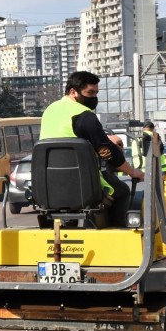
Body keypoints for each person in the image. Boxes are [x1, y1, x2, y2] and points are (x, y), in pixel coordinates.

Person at [39, 71, 143, 226]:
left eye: (96, 93)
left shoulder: (50, 110)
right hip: (82, 183)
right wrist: (132, 171)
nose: (94, 97)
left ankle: (69, 228)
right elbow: (106, 151)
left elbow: (67, 137)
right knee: (122, 191)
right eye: (90, 93)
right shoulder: (84, 116)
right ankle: (114, 233)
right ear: (73, 91)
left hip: (48, 184)